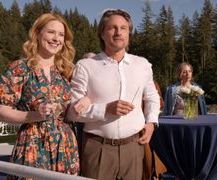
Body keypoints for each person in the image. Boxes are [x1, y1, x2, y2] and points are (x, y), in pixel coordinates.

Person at [67, 9, 160, 180]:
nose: (118, 32)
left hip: (134, 147)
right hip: (97, 149)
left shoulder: (142, 64)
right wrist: (105, 109)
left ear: (129, 33)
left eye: (123, 28)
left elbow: (152, 97)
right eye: (112, 28)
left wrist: (152, 122)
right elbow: (72, 112)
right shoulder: (85, 66)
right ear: (102, 33)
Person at [0, 13, 84, 179]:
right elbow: (1, 112)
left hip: (65, 147)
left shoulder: (68, 71)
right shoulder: (20, 69)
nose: (56, 38)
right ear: (37, 33)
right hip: (32, 145)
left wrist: (85, 102)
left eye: (61, 35)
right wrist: (34, 115)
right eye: (51, 32)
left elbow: (81, 101)